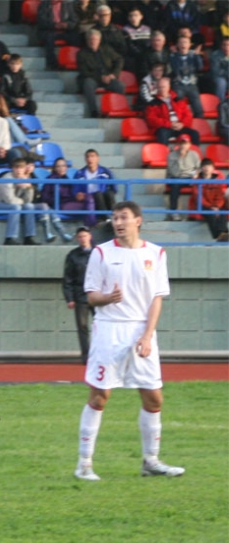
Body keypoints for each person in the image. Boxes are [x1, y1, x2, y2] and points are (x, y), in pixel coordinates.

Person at [74, 200, 185, 481]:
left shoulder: (156, 254)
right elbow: (90, 296)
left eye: (123, 217)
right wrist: (107, 298)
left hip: (141, 332)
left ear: (138, 221)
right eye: (114, 218)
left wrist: (148, 335)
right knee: (100, 396)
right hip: (109, 330)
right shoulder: (101, 253)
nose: (118, 222)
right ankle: (84, 464)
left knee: (153, 396)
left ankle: (151, 461)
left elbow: (157, 298)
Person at [0, 157, 42, 246]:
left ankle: (29, 237)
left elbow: (28, 200)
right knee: (15, 207)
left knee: (29, 206)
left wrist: (29, 188)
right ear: (12, 168)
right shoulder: (6, 179)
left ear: (25, 169)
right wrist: (22, 202)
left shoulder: (25, 178)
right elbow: (9, 199)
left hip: (15, 202)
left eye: (21, 168)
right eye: (16, 167)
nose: (18, 170)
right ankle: (10, 238)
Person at [63, 226, 94, 365]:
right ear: (77, 238)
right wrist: (69, 298)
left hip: (98, 296)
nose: (83, 239)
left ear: (90, 237)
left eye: (85, 236)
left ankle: (102, 353)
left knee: (103, 325)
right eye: (80, 236)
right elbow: (68, 278)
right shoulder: (73, 255)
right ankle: (86, 356)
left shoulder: (99, 253)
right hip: (80, 296)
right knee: (82, 327)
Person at [77, 29, 125, 119]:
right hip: (92, 77)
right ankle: (93, 111)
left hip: (108, 77)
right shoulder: (81, 54)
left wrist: (113, 74)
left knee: (119, 86)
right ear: (87, 41)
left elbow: (119, 59)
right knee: (88, 84)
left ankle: (118, 109)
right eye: (90, 39)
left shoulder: (106, 49)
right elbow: (84, 71)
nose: (92, 42)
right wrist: (100, 77)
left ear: (99, 40)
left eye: (95, 39)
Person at [144, 77, 200, 145]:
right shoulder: (153, 103)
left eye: (163, 87)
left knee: (195, 134)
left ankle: (194, 154)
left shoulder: (178, 100)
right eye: (160, 87)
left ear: (169, 87)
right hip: (165, 128)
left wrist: (182, 124)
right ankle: (163, 154)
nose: (162, 89)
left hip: (180, 126)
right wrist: (169, 124)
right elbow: (152, 119)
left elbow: (188, 115)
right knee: (162, 133)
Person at [189, 157, 228, 242]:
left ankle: (224, 234)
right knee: (211, 214)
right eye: (204, 166)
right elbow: (198, 197)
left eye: (209, 166)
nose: (207, 168)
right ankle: (219, 235)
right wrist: (211, 207)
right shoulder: (197, 181)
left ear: (213, 168)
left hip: (214, 205)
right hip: (202, 205)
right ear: (201, 168)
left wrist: (217, 206)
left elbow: (220, 196)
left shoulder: (217, 180)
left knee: (222, 214)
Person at [72, 149, 117, 222]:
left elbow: (114, 187)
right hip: (88, 197)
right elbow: (75, 190)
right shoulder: (79, 174)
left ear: (97, 158)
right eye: (88, 157)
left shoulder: (105, 171)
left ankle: (115, 216)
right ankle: (106, 219)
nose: (90, 159)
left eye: (92, 156)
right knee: (97, 194)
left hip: (103, 197)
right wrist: (77, 195)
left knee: (109, 194)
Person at [165, 133, 201, 220]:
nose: (183, 146)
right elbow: (173, 172)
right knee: (175, 185)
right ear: (178, 144)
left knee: (200, 185)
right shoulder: (172, 155)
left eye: (185, 143)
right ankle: (173, 212)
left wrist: (195, 175)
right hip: (176, 177)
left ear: (189, 144)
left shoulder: (194, 154)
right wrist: (180, 158)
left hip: (190, 177)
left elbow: (199, 168)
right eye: (181, 143)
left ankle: (197, 213)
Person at [37, 0, 80, 70]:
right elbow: (42, 21)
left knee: (76, 37)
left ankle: (74, 61)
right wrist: (54, 25)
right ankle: (52, 64)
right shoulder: (44, 5)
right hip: (49, 30)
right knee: (49, 39)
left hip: (64, 31)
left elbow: (74, 21)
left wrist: (67, 25)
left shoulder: (67, 5)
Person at [169, 35, 204, 118]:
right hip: (178, 84)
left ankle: (200, 122)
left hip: (191, 84)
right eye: (180, 42)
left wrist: (197, 56)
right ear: (177, 45)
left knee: (197, 106)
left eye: (185, 42)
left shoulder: (194, 55)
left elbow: (200, 68)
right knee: (178, 99)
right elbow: (174, 70)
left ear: (190, 45)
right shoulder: (173, 57)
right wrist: (175, 57)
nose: (183, 44)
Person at [208, 38, 229, 103]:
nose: (226, 47)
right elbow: (216, 70)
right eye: (224, 45)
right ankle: (221, 105)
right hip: (218, 76)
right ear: (221, 46)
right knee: (221, 83)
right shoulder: (215, 55)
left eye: (228, 45)